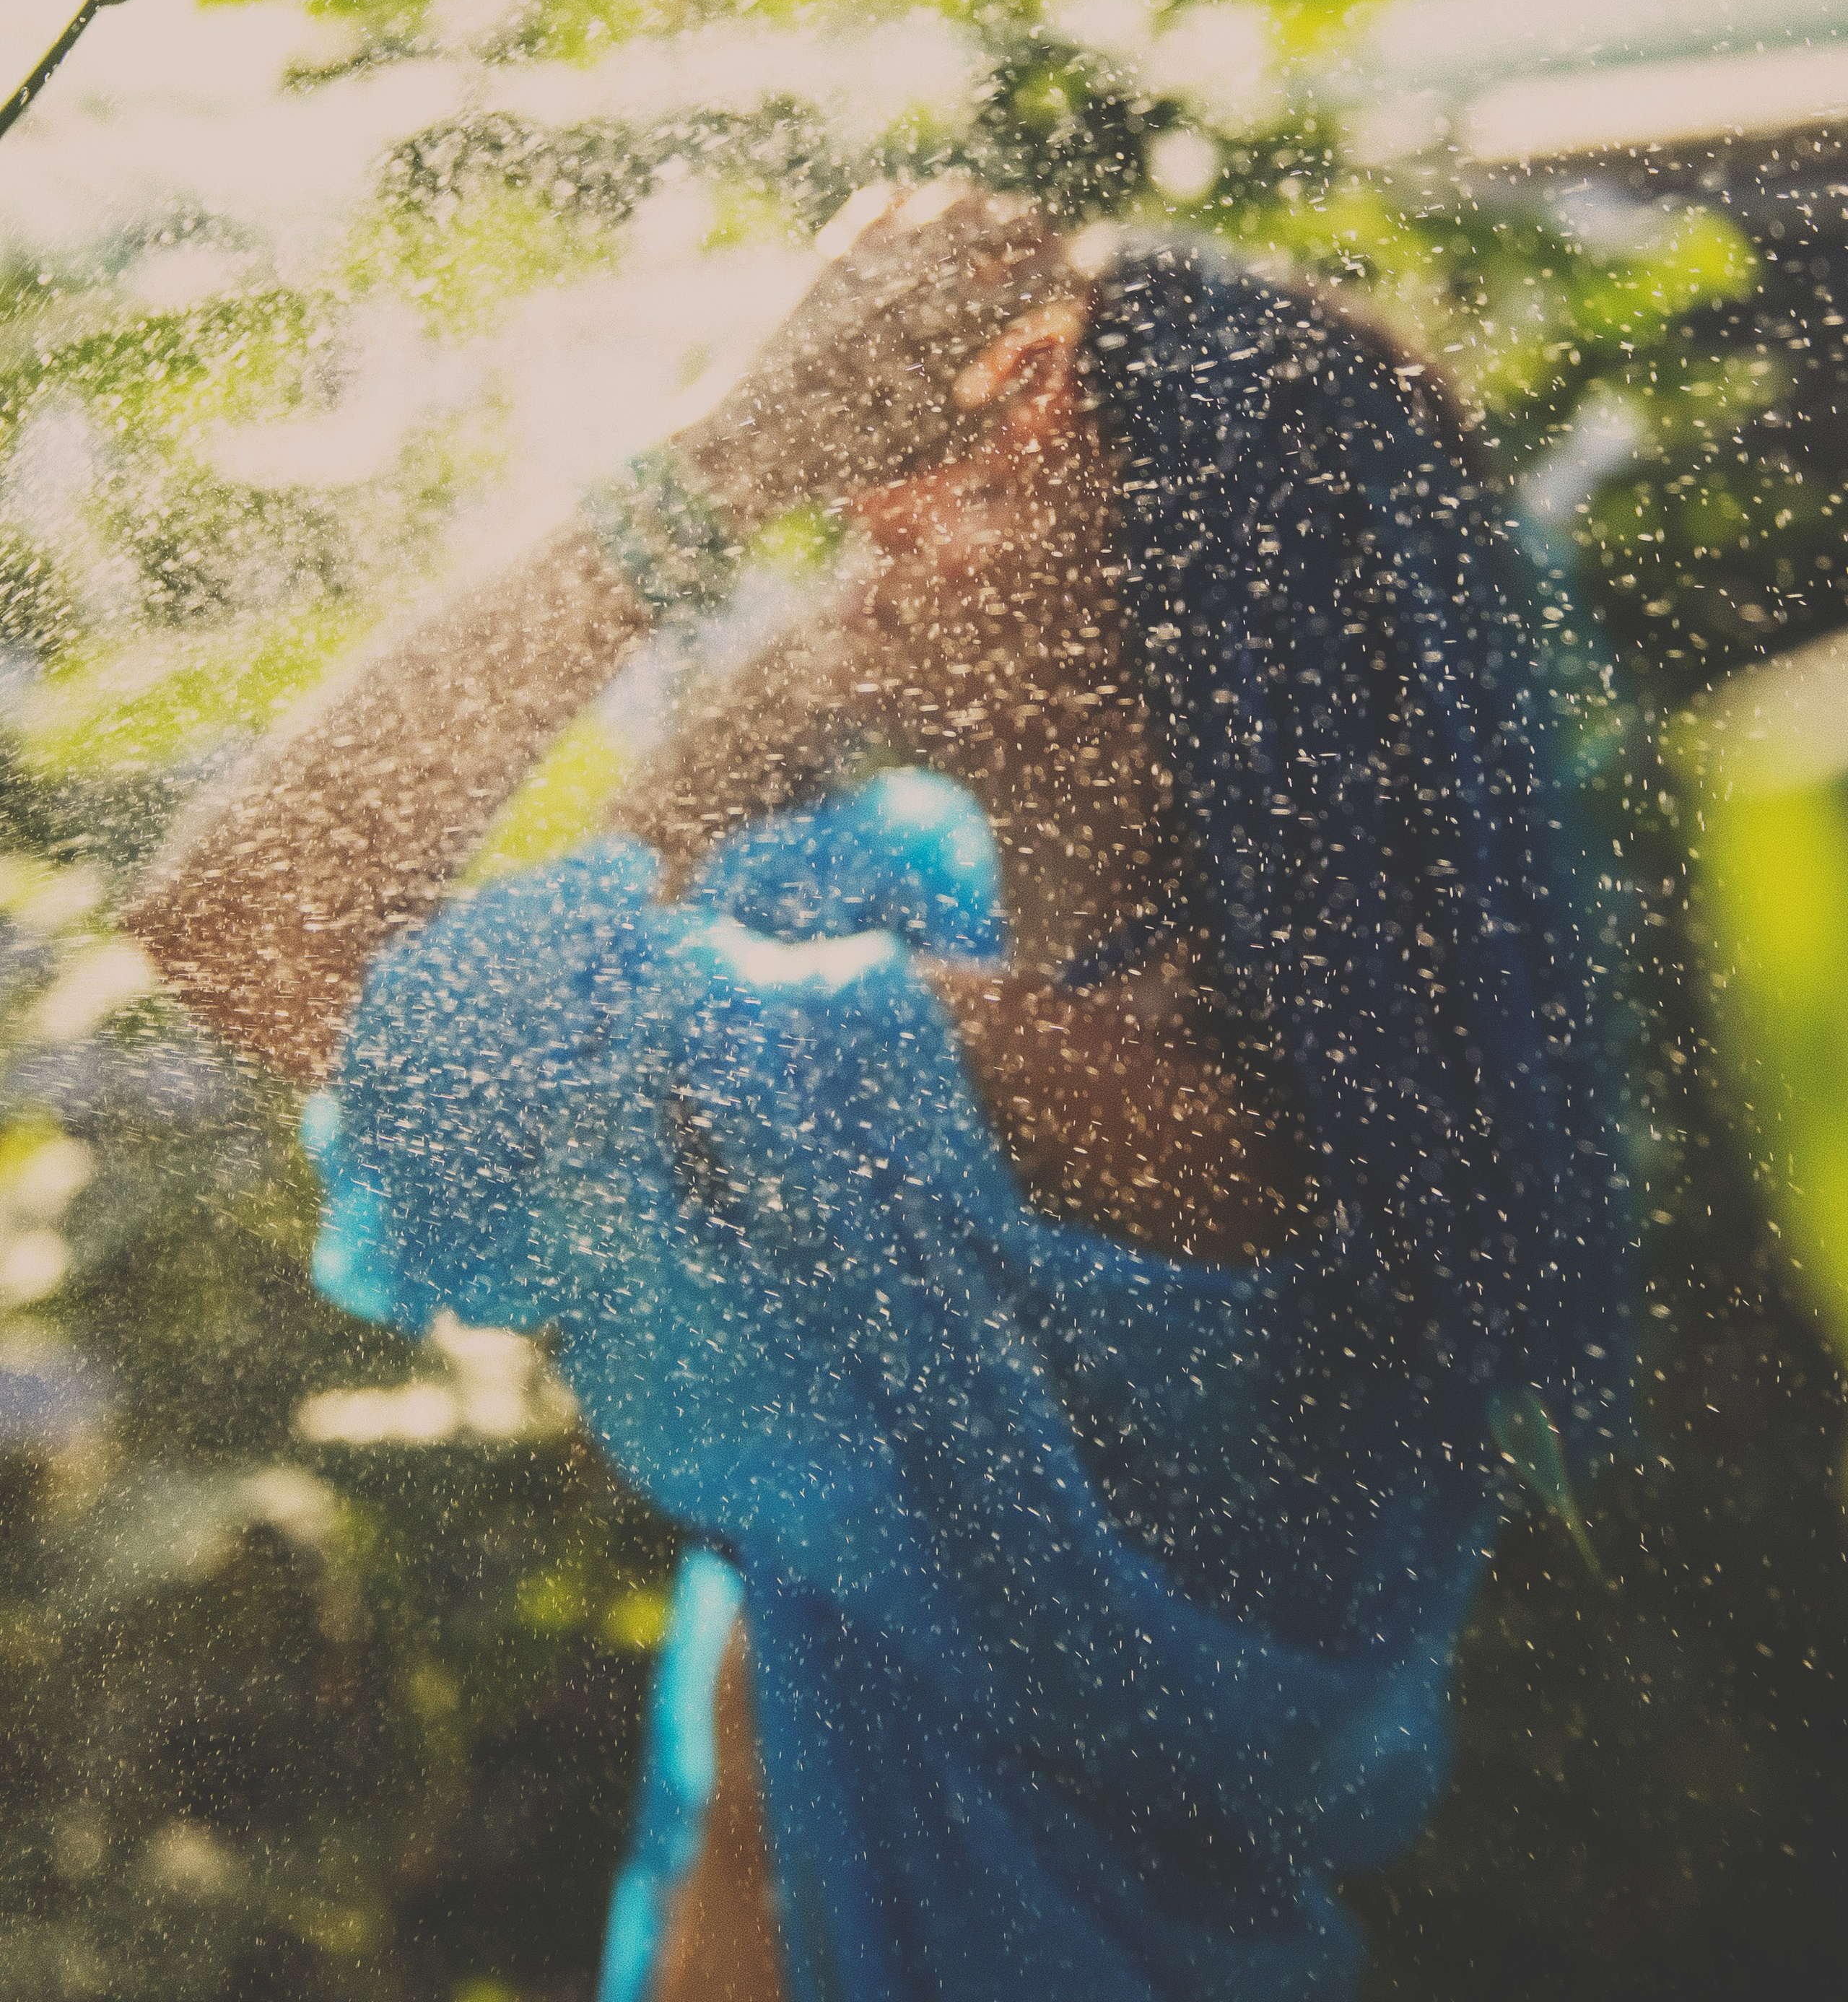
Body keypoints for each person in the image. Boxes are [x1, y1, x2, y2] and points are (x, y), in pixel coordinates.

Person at [126, 188, 1631, 2002]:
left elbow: (252, 922)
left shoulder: (1034, 1090)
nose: (884, 501)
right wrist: (845, 637)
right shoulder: (1104, 998)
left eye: (994, 470)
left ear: (1171, 595)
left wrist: (736, 451)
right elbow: (592, 937)